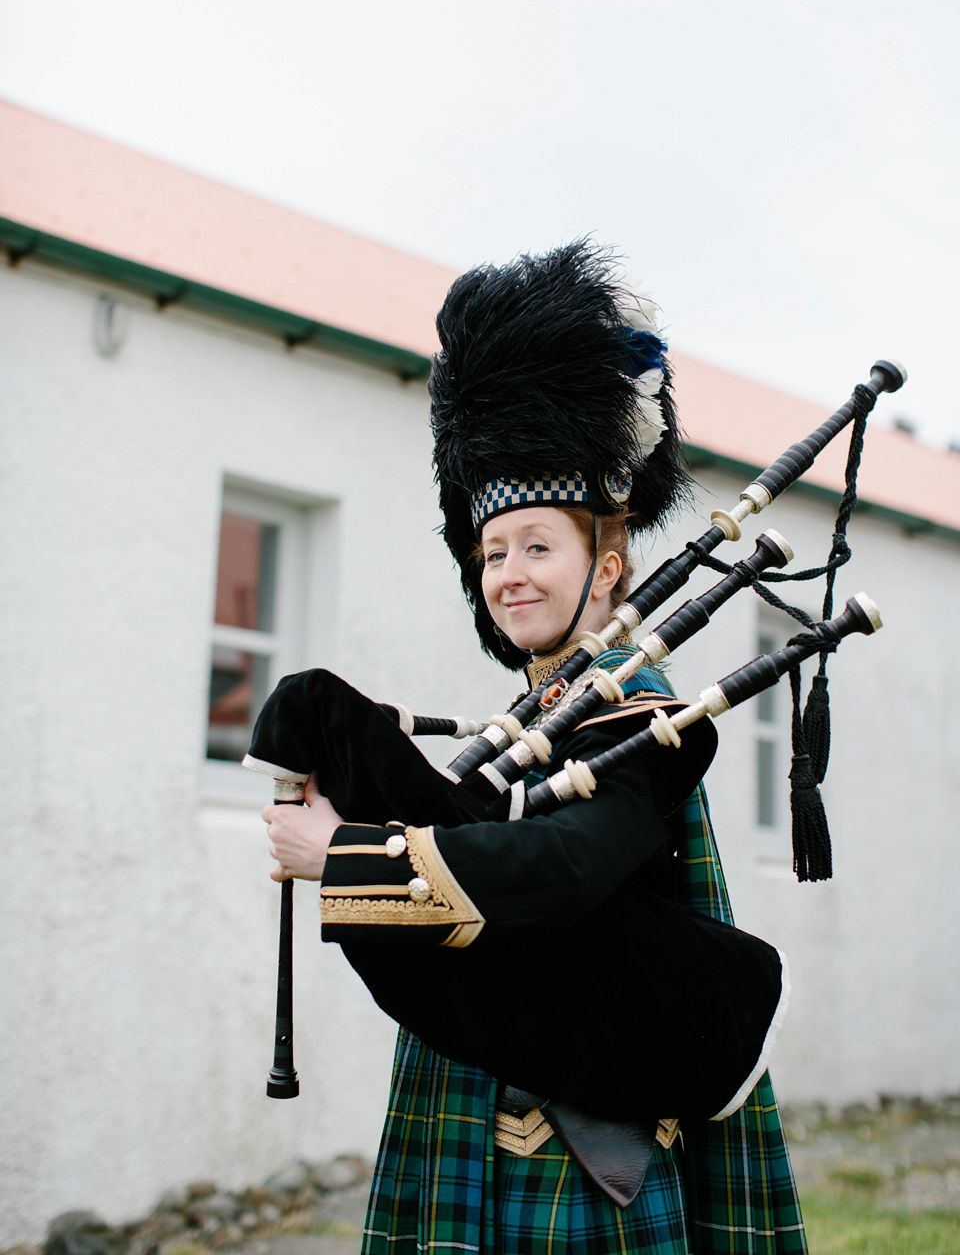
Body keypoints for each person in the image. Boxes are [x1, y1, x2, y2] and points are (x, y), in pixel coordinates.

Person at [253, 242, 807, 1254]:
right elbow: (473, 836)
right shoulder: (538, 715)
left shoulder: (639, 713)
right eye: (492, 553)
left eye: (538, 546)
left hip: (575, 1151)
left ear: (609, 569)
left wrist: (340, 857)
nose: (508, 572)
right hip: (478, 1101)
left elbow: (558, 872)